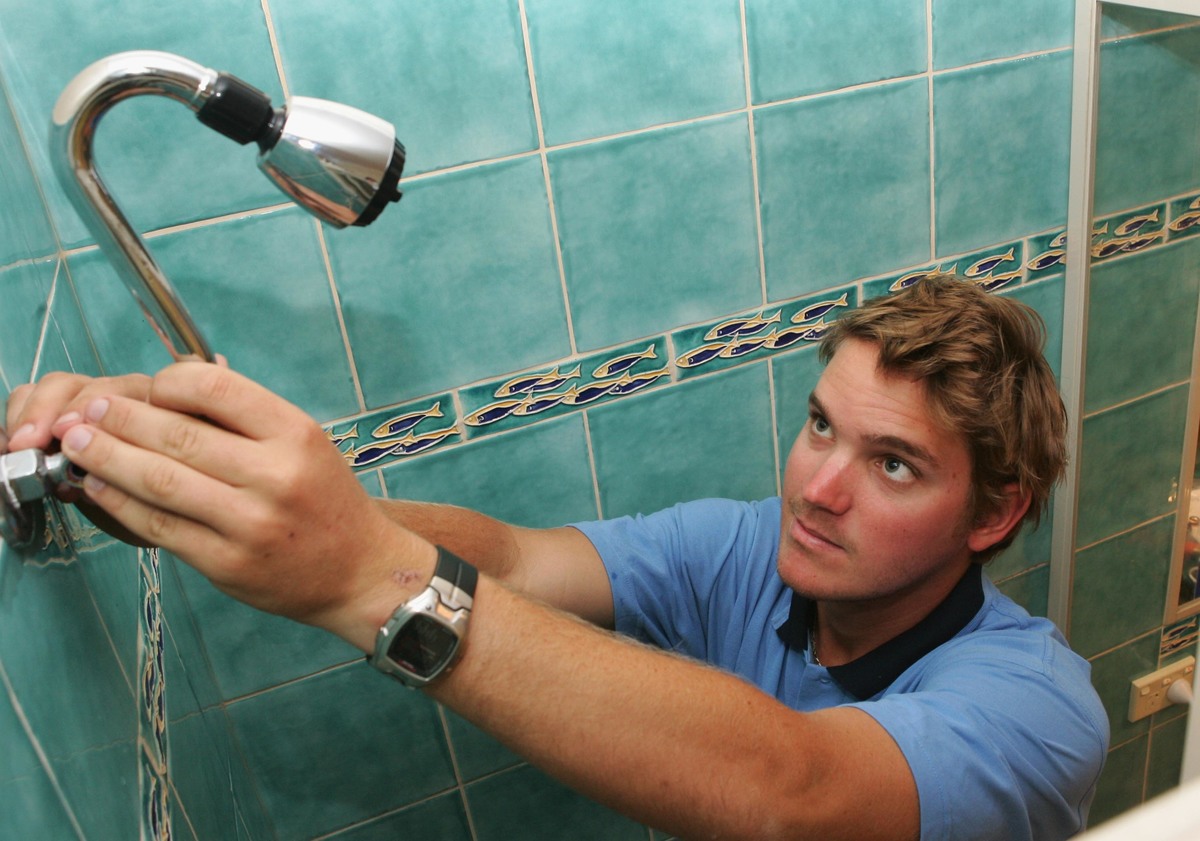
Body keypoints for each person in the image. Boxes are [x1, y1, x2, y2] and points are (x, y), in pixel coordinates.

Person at [4, 276, 1108, 840]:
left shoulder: (1038, 703)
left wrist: (362, 579)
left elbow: (797, 794)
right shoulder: (747, 553)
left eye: (895, 466)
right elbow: (518, 564)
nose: (817, 487)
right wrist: (256, 500)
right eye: (820, 425)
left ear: (995, 514)